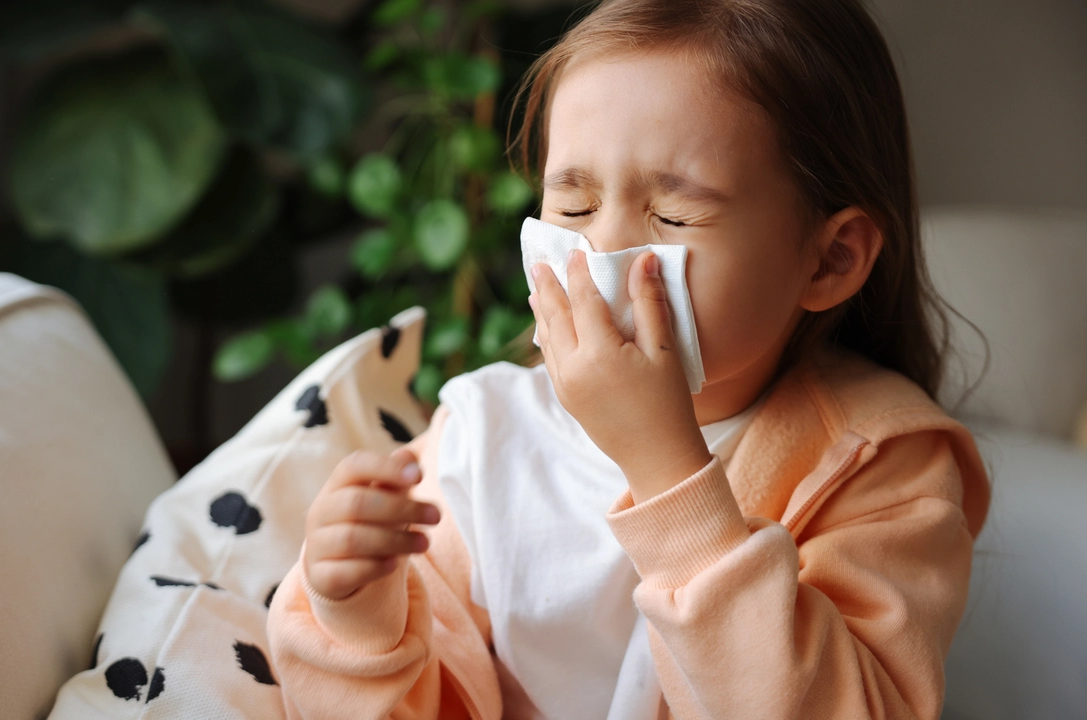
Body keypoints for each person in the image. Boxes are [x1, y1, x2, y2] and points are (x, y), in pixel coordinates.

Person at [266, 0, 992, 717]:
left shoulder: (881, 464)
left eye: (673, 217)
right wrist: (356, 614)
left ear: (829, 260)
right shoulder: (481, 441)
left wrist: (667, 469)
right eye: (573, 207)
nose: (601, 250)